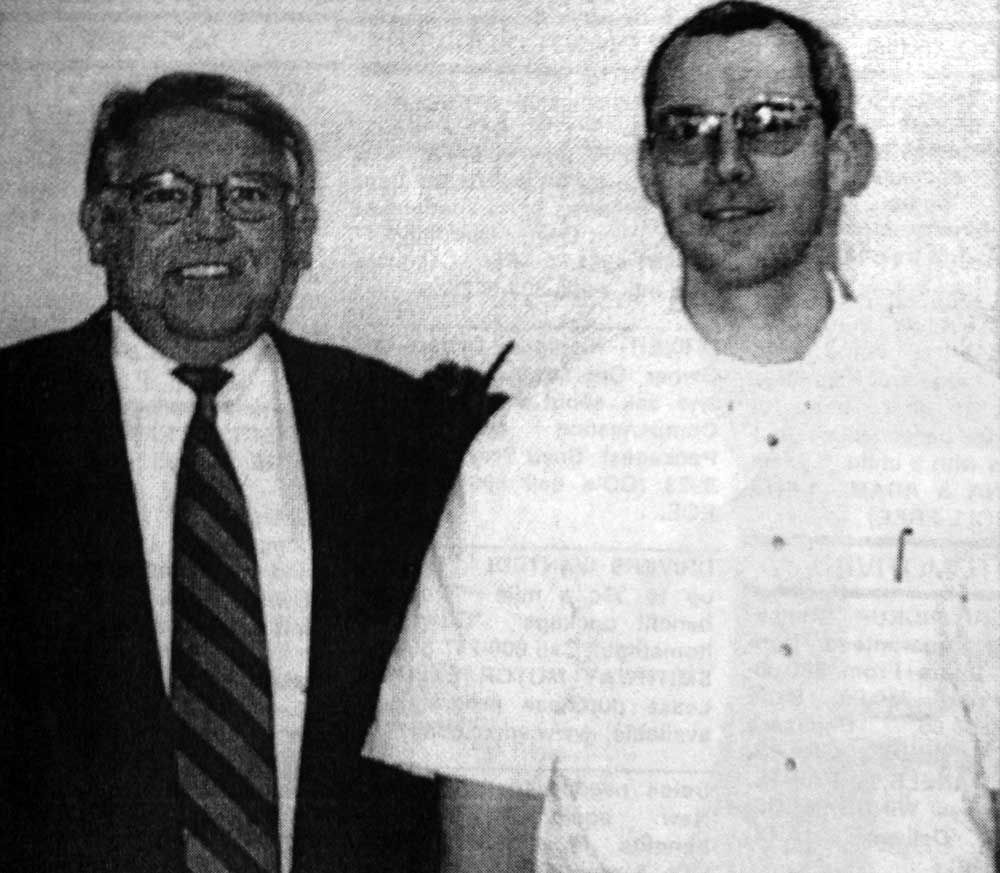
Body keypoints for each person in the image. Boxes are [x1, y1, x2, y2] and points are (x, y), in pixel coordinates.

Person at [362, 3, 1000, 871]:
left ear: (847, 156)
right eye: (686, 131)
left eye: (772, 125)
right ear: (647, 171)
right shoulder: (542, 454)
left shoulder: (966, 429)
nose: (726, 164)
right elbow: (487, 811)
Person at [0, 72, 505, 873]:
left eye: (249, 197)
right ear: (100, 224)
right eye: (165, 196)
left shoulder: (406, 437)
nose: (209, 228)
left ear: (300, 233)